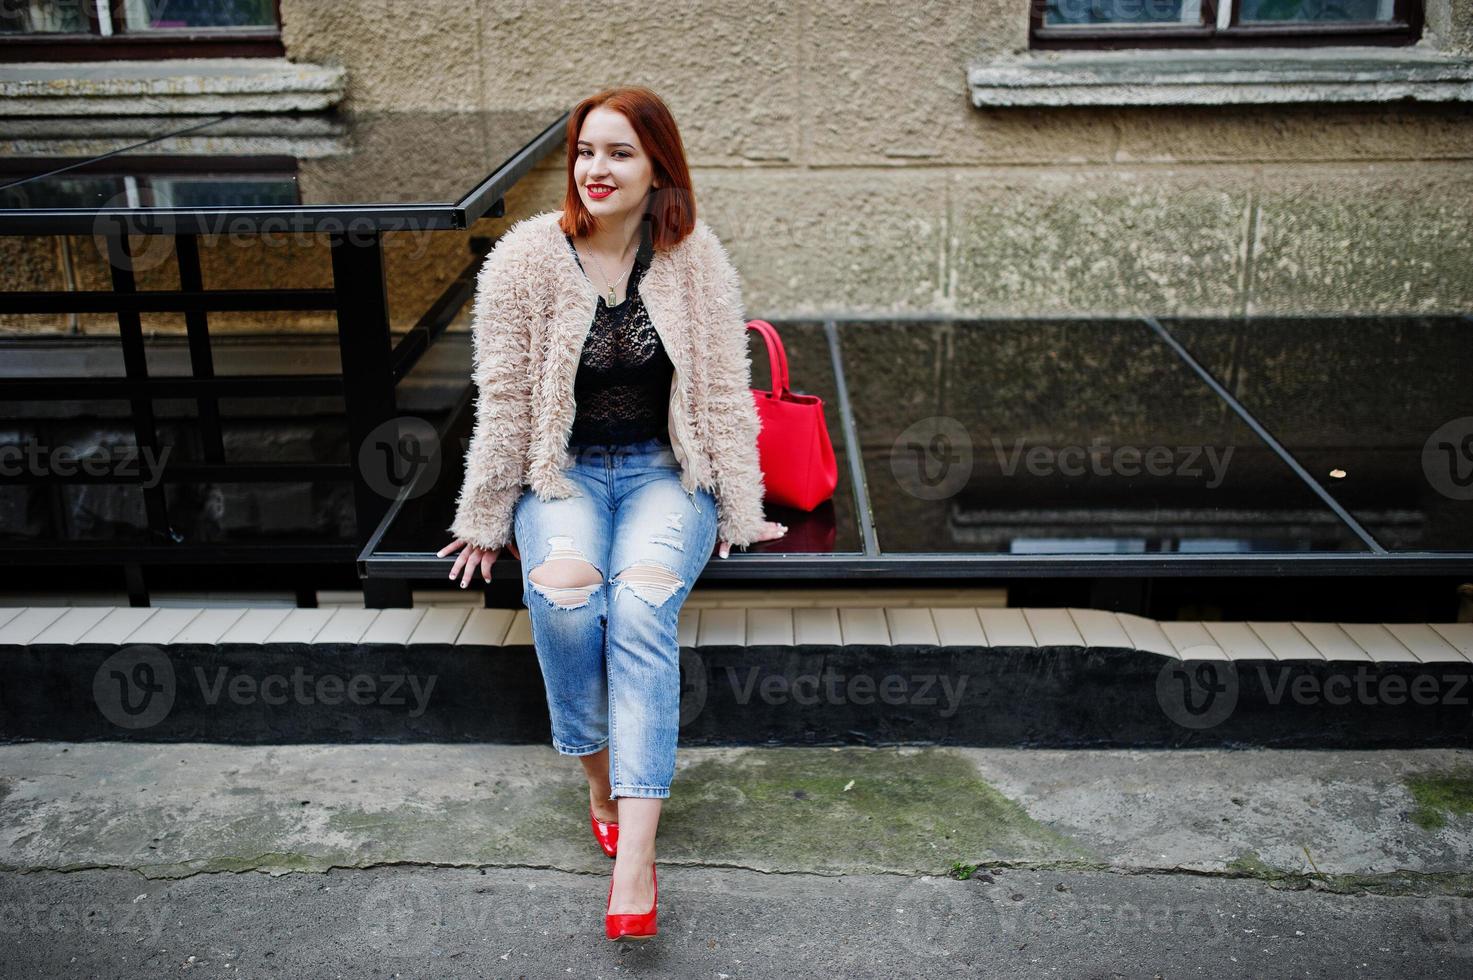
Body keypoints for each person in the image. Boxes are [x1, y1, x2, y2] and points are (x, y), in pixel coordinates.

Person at [436, 86, 787, 941]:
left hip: (669, 475)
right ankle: (598, 781)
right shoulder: (525, 259)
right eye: (586, 151)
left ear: (657, 166)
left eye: (619, 153)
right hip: (565, 479)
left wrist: (742, 505)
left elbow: (719, 394)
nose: (597, 169)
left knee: (637, 606)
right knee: (561, 600)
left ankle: (635, 858)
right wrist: (485, 517)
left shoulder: (694, 256)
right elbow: (507, 402)